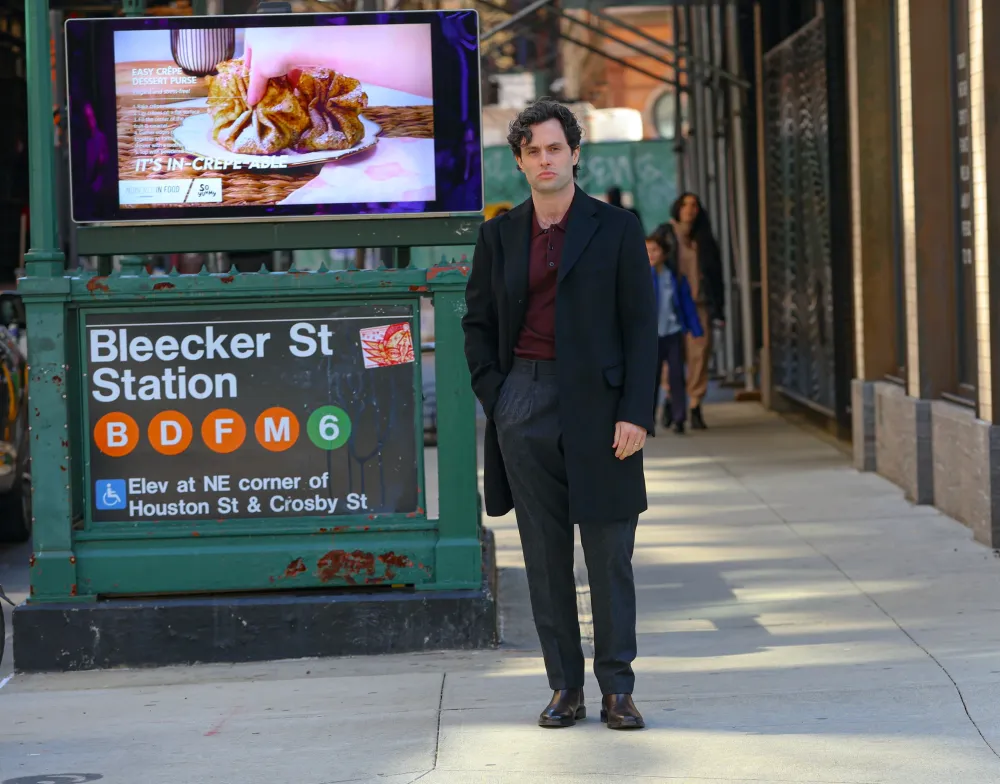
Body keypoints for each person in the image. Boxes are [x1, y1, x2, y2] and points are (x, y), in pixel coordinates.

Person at [463, 99, 656, 731]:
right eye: (533, 151)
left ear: (575, 154)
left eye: (554, 148)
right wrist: (499, 397)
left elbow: (641, 327)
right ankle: (564, 687)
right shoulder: (498, 235)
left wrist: (635, 412)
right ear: (519, 162)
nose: (545, 160)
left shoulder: (617, 228)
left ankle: (618, 689)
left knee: (609, 555)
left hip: (602, 409)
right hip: (524, 400)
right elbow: (477, 324)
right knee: (544, 559)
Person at [656, 193, 724, 430]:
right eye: (685, 205)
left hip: (699, 305)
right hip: (672, 306)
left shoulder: (703, 238)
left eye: (694, 205)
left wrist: (719, 309)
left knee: (700, 353)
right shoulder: (666, 234)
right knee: (671, 356)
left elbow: (716, 275)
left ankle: (695, 403)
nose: (689, 209)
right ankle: (670, 398)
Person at [647, 230, 702, 434]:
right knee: (650, 379)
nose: (650, 254)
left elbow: (687, 305)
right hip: (651, 337)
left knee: (677, 376)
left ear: (664, 252)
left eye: (654, 250)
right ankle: (647, 419)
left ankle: (679, 418)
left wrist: (695, 329)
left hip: (672, 333)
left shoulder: (674, 277)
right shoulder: (639, 277)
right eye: (646, 250)